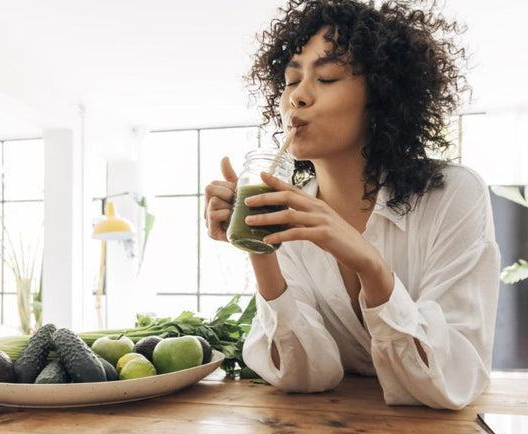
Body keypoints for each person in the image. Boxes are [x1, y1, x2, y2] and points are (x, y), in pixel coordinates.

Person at [204, 0, 500, 409]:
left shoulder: (453, 195)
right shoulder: (285, 211)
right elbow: (305, 376)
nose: (298, 98)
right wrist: (260, 248)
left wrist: (371, 266)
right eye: (291, 80)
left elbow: (453, 378)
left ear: (381, 96)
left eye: (326, 78)